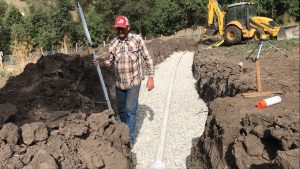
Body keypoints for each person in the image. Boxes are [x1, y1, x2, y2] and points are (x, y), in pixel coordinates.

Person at [92, 16, 154, 146]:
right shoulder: (113, 43)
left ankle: (129, 140)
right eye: (118, 29)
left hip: (134, 82)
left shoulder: (137, 40)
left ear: (128, 27)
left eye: (122, 28)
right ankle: (125, 129)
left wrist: (150, 77)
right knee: (121, 110)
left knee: (130, 110)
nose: (120, 31)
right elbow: (110, 61)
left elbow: (148, 58)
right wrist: (99, 63)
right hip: (119, 84)